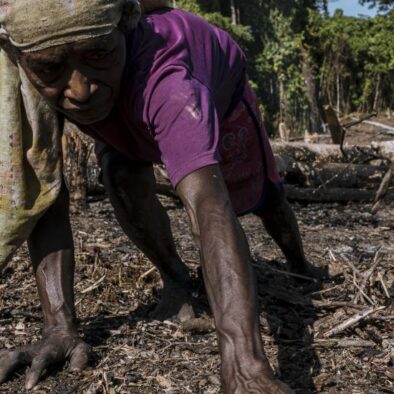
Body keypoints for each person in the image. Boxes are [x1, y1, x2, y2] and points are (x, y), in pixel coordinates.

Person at [0, 1, 325, 392]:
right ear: (21, 57)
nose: (80, 90)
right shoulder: (26, 75)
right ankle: (176, 282)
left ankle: (301, 266)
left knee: (266, 197)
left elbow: (208, 207)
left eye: (99, 55)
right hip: (123, 103)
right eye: (52, 68)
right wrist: (58, 328)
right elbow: (46, 196)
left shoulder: (169, 82)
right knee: (120, 173)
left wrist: (245, 367)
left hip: (217, 95)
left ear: (124, 31)